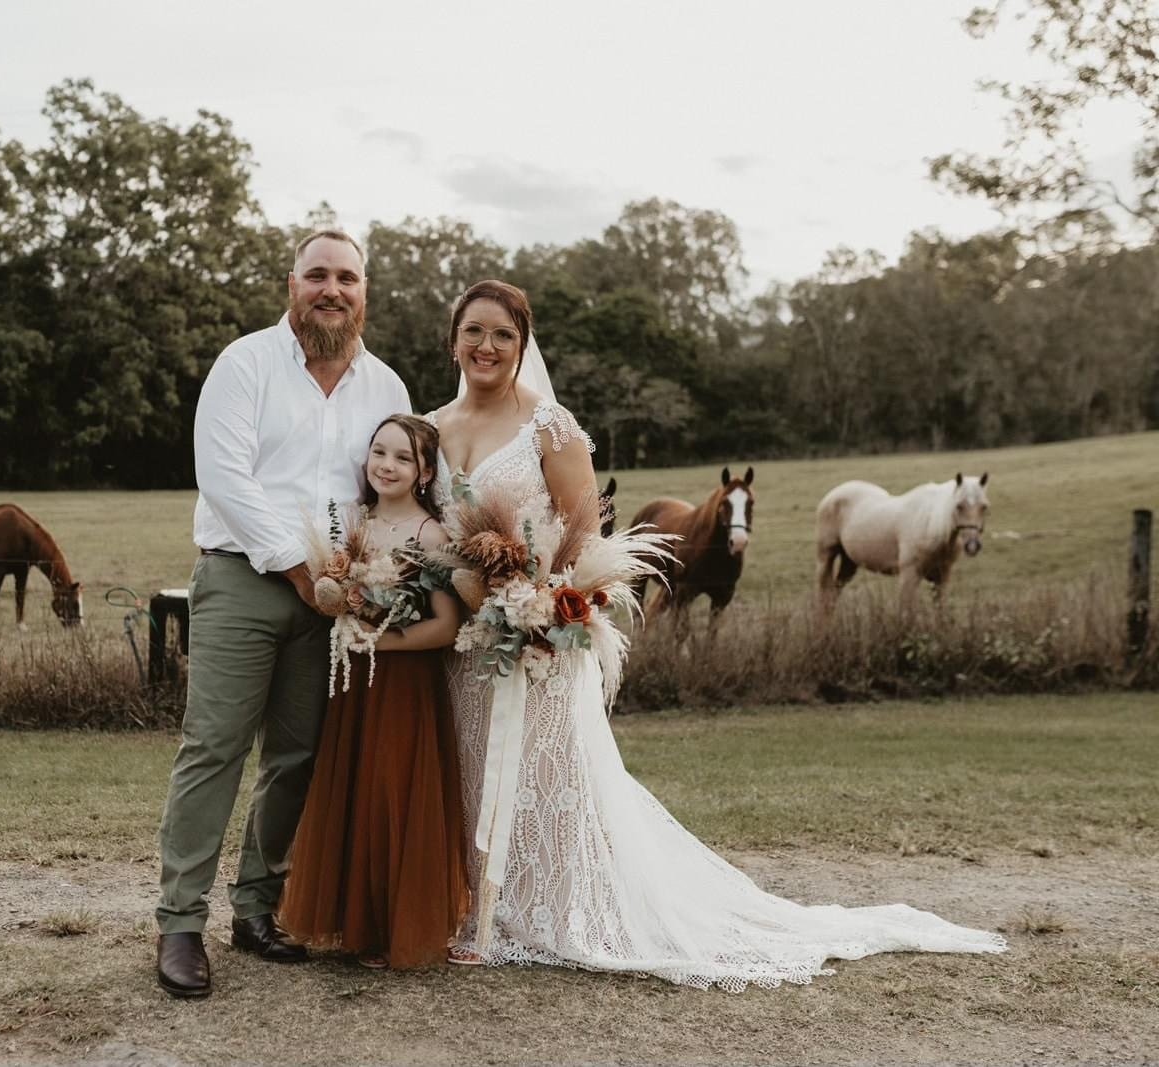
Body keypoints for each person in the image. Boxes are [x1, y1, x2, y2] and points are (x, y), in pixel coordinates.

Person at [427, 279, 1006, 989]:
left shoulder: (550, 427)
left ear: (523, 344)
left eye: (503, 334)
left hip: (534, 642)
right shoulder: (431, 426)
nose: (487, 346)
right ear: (452, 337)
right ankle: (467, 905)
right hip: (455, 646)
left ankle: (538, 910)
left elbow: (586, 541)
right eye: (474, 331)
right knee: (466, 770)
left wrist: (543, 606)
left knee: (546, 777)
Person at [153, 232, 411, 999]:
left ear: (366, 290)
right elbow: (225, 477)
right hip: (243, 578)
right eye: (318, 276)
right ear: (291, 284)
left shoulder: (386, 385)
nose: (333, 289)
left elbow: (393, 484)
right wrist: (302, 571)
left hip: (339, 594)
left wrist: (374, 576)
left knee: (298, 754)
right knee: (215, 745)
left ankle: (257, 908)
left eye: (348, 278)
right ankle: (179, 921)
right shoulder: (245, 364)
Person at [278, 414, 469, 969]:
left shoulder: (429, 535)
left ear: (425, 471)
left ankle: (396, 928)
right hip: (354, 685)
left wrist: (378, 644)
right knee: (355, 788)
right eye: (379, 453)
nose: (387, 465)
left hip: (403, 684)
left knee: (394, 790)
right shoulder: (352, 525)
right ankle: (353, 922)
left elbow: (445, 627)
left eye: (403, 458)